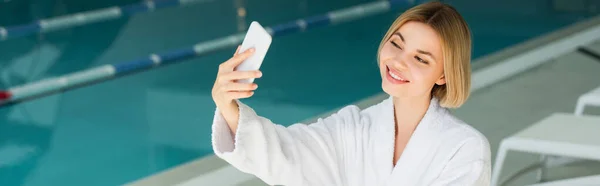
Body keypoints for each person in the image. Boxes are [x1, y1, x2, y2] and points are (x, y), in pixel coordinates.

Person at [210, 1, 491, 185]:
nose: (399, 62)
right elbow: (286, 154)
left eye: (421, 59)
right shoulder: (354, 127)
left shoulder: (464, 148)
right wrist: (227, 105)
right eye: (396, 43)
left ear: (443, 74)